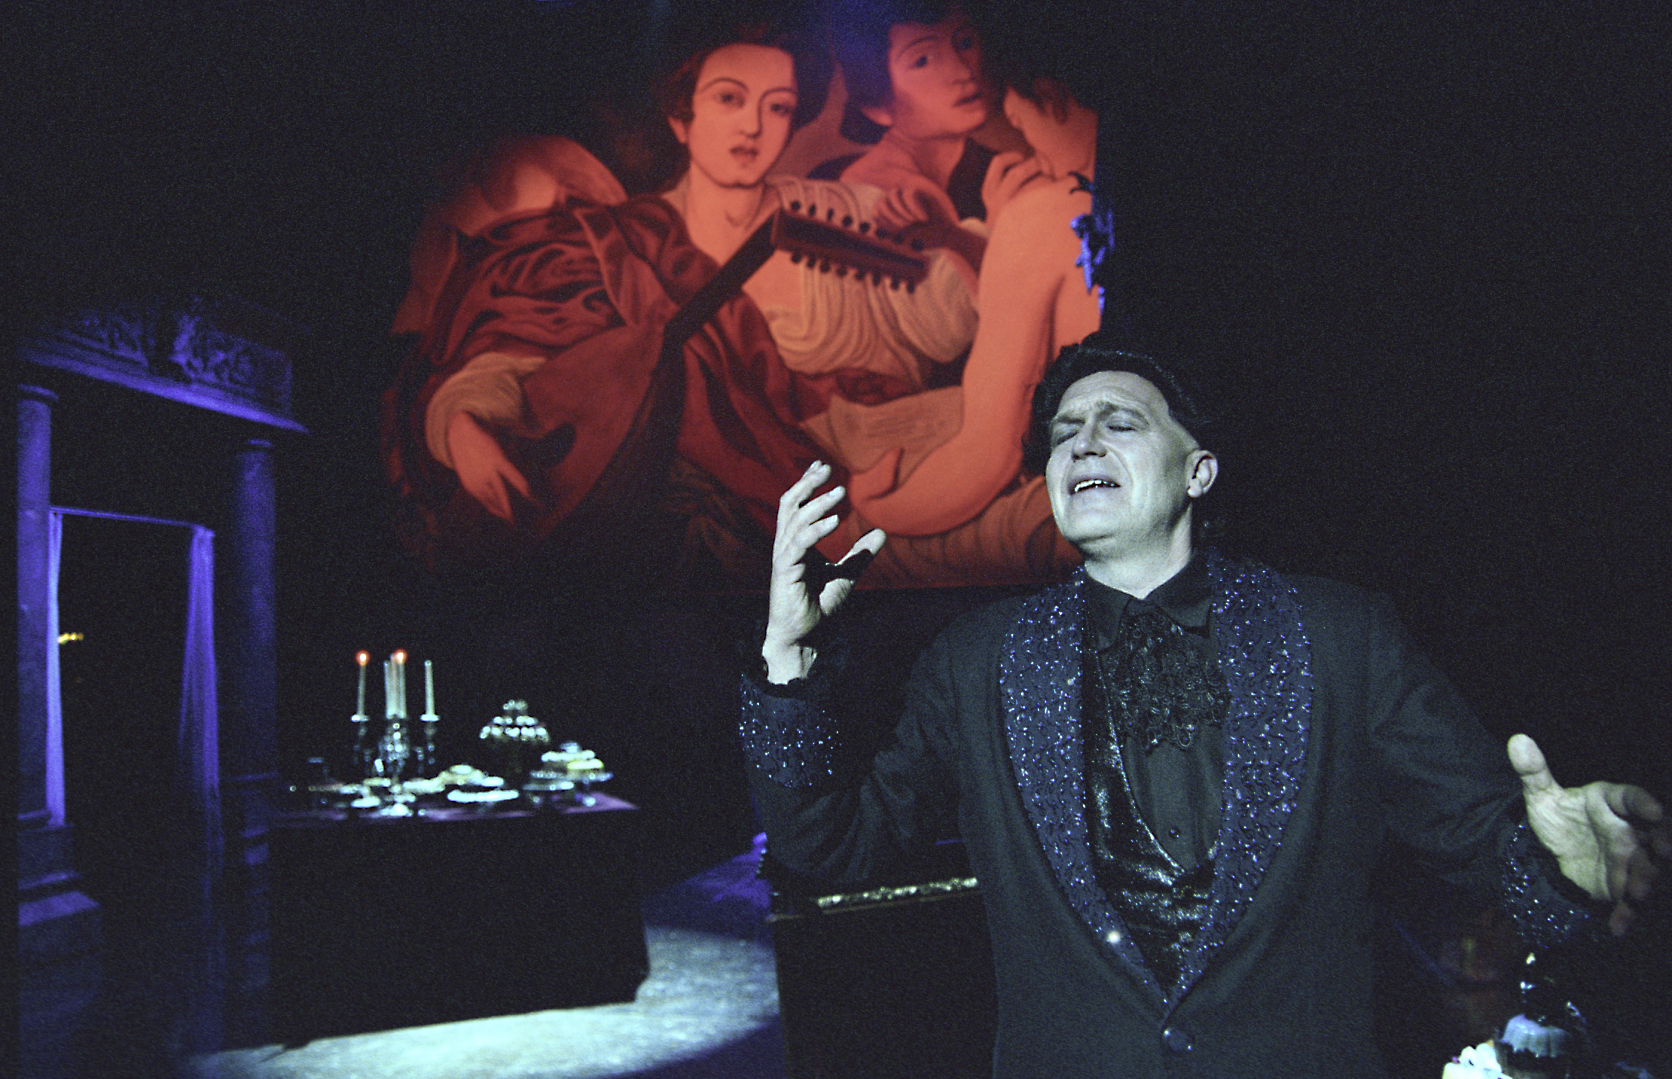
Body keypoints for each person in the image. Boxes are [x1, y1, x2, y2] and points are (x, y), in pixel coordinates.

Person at [741, 335, 1668, 1077]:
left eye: (1119, 422)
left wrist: (1566, 873)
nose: (1082, 443)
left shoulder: (1341, 635)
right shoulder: (977, 660)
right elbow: (833, 848)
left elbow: (1482, 841)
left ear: (1199, 473)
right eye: (1064, 432)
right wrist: (788, 660)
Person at [384, 20, 1004, 584]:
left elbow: (957, 324)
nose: (752, 126)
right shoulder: (618, 244)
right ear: (682, 119)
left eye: (777, 107)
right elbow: (514, 347)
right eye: (729, 99)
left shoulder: (847, 215)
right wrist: (462, 427)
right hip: (750, 520)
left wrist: (959, 243)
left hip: (884, 454)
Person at [848, 58, 1101, 536]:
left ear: (1051, 100)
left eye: (1022, 127)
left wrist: (882, 509)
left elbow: (989, 454)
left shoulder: (1043, 212)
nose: (1033, 158)